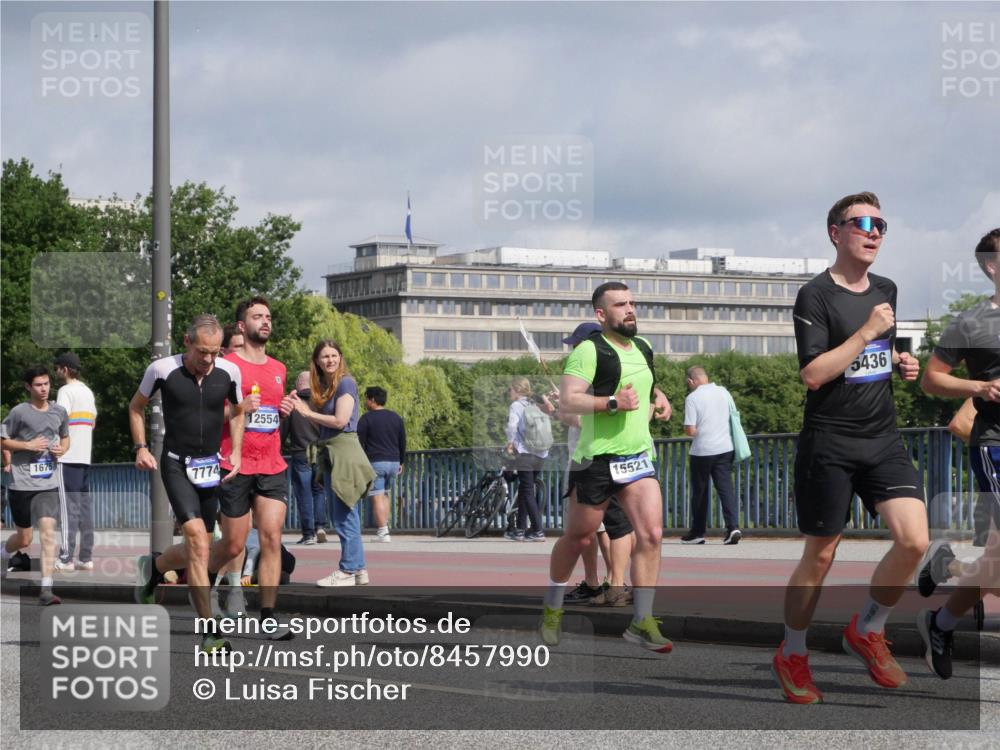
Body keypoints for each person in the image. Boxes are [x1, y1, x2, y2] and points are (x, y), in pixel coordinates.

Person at [773, 192, 928, 704]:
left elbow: (884, 349)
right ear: (835, 232)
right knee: (821, 555)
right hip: (830, 442)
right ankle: (792, 650)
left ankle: (868, 628)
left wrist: (903, 364)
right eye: (862, 222)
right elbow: (813, 373)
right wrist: (865, 333)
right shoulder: (814, 296)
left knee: (913, 542)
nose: (875, 232)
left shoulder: (887, 288)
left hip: (882, 437)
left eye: (881, 224)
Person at [541, 281, 673, 651]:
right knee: (579, 537)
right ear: (602, 314)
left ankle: (642, 620)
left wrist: (661, 399)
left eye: (632, 302)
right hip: (596, 459)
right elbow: (568, 402)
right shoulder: (588, 350)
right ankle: (552, 607)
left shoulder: (644, 348)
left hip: (637, 458)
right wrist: (613, 403)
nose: (630, 309)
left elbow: (646, 387)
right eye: (620, 305)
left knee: (652, 536)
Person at [130, 314, 244, 653]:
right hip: (176, 463)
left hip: (211, 467)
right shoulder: (162, 370)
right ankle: (210, 632)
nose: (208, 360)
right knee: (196, 539)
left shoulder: (229, 372)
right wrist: (140, 448)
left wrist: (235, 451)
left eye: (215, 352)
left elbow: (238, 411)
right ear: (187, 342)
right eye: (203, 352)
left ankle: (154, 567)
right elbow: (136, 408)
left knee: (203, 547)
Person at [916, 227, 1000, 679]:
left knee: (995, 565)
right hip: (995, 446)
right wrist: (980, 386)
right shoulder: (970, 323)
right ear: (991, 266)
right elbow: (931, 379)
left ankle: (942, 618)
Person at [207, 297, 292, 639]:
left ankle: (269, 617)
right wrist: (241, 407)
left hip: (272, 463)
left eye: (268, 316)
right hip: (234, 463)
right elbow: (208, 414)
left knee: (272, 537)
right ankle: (205, 585)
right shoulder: (225, 366)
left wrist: (284, 409)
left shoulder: (279, 368)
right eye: (258, 316)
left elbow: (268, 416)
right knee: (232, 545)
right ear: (242, 325)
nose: (265, 321)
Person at [557, 322, 636, 607]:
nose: (573, 349)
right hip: (599, 457)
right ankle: (611, 583)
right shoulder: (604, 371)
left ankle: (608, 584)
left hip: (593, 458)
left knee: (595, 528)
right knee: (608, 527)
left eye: (576, 344)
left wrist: (564, 410)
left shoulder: (594, 374)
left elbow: (581, 419)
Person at [286, 341, 374, 587]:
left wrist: (306, 412)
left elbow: (340, 420)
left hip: (343, 451)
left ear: (340, 357)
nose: (330, 360)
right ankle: (358, 569)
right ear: (316, 361)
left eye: (334, 355)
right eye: (325, 356)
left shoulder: (346, 382)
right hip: (332, 450)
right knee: (346, 513)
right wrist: (299, 407)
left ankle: (348, 569)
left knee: (344, 514)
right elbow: (322, 425)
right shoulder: (325, 387)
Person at [0, 366, 69, 605]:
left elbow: (65, 436)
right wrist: (28, 446)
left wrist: (63, 448)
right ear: (28, 387)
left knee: (48, 534)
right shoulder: (19, 412)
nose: (43, 389)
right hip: (21, 484)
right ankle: (3, 552)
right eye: (38, 385)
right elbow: (3, 441)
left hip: (47, 484)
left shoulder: (59, 411)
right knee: (25, 539)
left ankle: (46, 590)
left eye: (47, 384)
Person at [682, 365, 741, 545]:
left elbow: (690, 430)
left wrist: (691, 429)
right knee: (725, 489)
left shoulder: (692, 398)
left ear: (691, 381)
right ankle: (733, 527)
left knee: (700, 492)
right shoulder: (724, 392)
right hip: (725, 448)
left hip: (702, 450)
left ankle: (698, 532)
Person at [52, 352, 98, 572]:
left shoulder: (65, 391)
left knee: (67, 510)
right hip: (84, 457)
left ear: (65, 369)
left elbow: (58, 422)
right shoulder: (87, 392)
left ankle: (65, 558)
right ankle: (86, 557)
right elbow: (93, 421)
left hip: (67, 456)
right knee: (84, 509)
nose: (56, 372)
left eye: (57, 368)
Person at [283, 371, 329, 545]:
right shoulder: (321, 401)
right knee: (319, 491)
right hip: (320, 451)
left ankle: (308, 534)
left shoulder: (293, 402)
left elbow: (283, 429)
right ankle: (320, 527)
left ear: (297, 385)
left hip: (300, 452)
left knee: (304, 493)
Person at [504, 376, 551, 542]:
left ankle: (538, 530)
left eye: (510, 389)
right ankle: (520, 529)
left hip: (525, 453)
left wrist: (510, 443)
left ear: (516, 390)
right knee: (525, 490)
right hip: (541, 454)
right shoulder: (535, 404)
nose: (509, 392)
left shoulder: (516, 405)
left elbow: (512, 426)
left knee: (528, 491)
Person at [357, 386, 406, 543]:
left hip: (376, 461)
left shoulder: (366, 419)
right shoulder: (396, 418)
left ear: (372, 400)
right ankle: (385, 529)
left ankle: (383, 532)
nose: (365, 402)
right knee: (384, 494)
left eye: (366, 398)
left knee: (377, 496)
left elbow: (360, 443)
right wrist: (402, 461)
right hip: (394, 462)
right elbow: (402, 441)